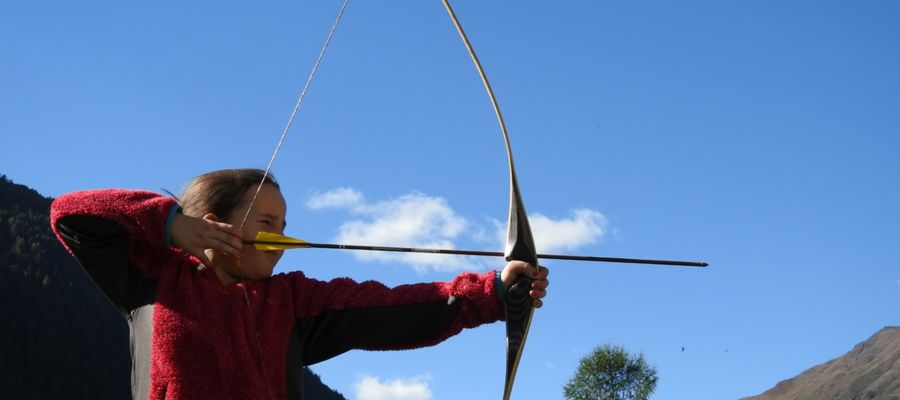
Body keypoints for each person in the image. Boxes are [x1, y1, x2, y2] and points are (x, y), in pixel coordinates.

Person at [50, 168, 549, 400]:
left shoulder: (293, 300)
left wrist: (494, 293)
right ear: (213, 223)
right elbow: (70, 213)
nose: (282, 239)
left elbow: (393, 307)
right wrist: (170, 224)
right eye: (267, 221)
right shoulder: (153, 279)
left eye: (284, 226)